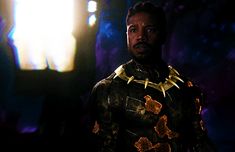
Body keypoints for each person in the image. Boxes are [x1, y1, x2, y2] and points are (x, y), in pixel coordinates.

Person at [88, 1, 217, 152]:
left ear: (162, 35)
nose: (140, 36)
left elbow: (200, 143)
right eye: (133, 30)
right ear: (127, 35)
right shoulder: (108, 90)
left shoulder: (187, 89)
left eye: (150, 30)